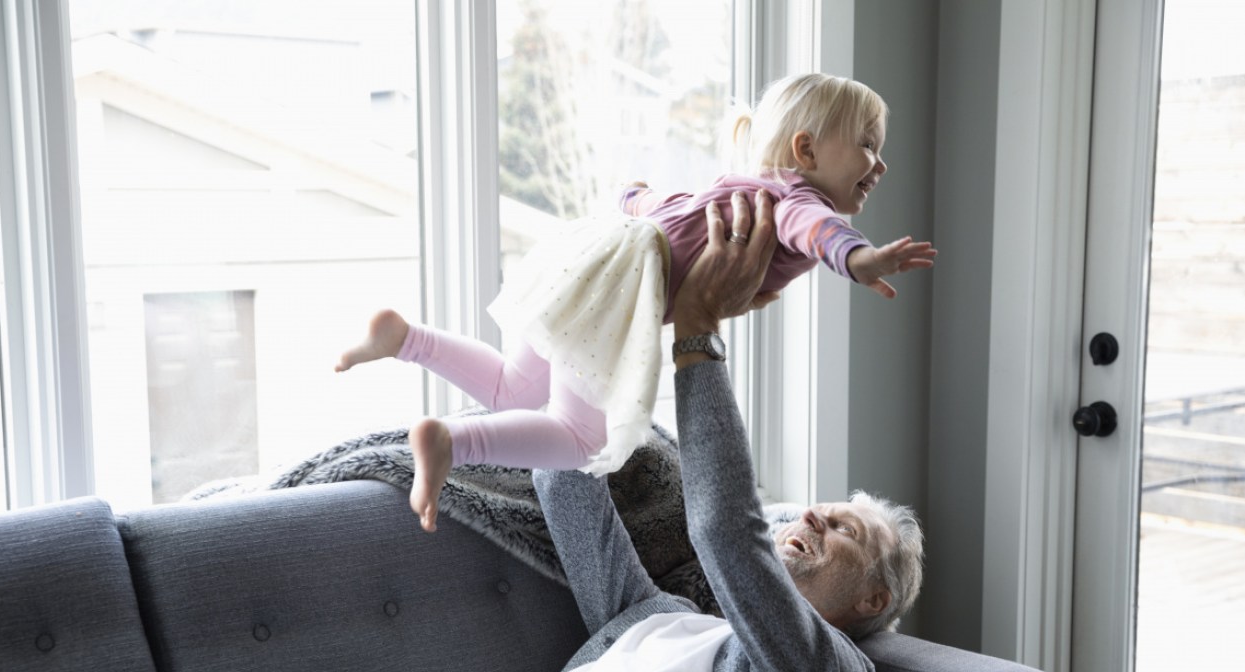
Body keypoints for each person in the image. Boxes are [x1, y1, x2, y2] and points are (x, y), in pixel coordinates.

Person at [0, 189, 924, 672]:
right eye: (815, 509)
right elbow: (565, 477)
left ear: (869, 597)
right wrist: (605, 298)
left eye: (839, 531)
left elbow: (725, 533)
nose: (811, 519)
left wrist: (699, 335)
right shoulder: (657, 618)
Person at [336, 72, 937, 532]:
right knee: (582, 438)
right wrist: (862, 261)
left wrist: (630, 194)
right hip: (618, 294)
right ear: (805, 152)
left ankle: (404, 338)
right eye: (867, 146)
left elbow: (651, 205)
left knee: (511, 390)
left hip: (586, 258)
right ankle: (451, 441)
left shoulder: (731, 189)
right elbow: (820, 233)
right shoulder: (794, 200)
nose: (880, 164)